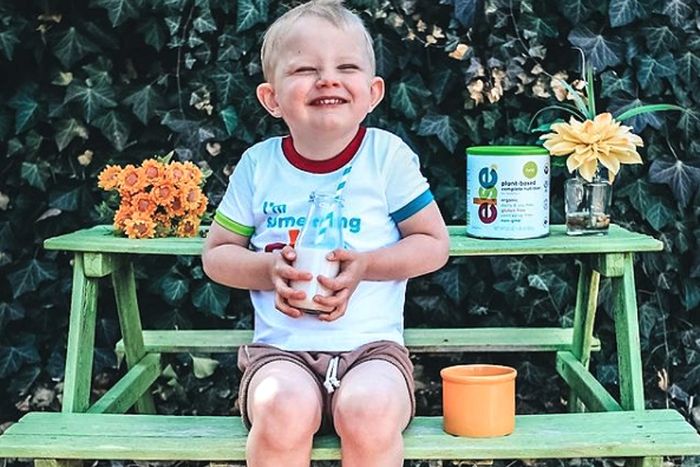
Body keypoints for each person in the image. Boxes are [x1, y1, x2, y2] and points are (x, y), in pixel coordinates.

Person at [202, 1, 449, 465]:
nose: (328, 79)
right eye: (305, 69)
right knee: (281, 407)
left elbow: (433, 245)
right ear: (272, 98)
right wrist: (266, 268)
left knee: (370, 412)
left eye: (346, 67)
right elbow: (217, 255)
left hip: (373, 352)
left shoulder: (385, 157)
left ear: (373, 92)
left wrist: (368, 265)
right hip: (281, 353)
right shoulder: (259, 166)